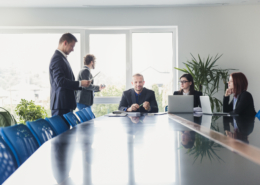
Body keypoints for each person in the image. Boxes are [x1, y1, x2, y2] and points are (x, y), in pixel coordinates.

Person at [49, 33, 91, 126]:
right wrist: (80, 83)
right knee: (61, 138)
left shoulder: (62, 58)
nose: (73, 49)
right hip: (61, 105)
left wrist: (81, 84)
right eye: (72, 46)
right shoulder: (57, 58)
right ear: (65, 43)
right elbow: (60, 81)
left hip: (64, 104)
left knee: (65, 137)